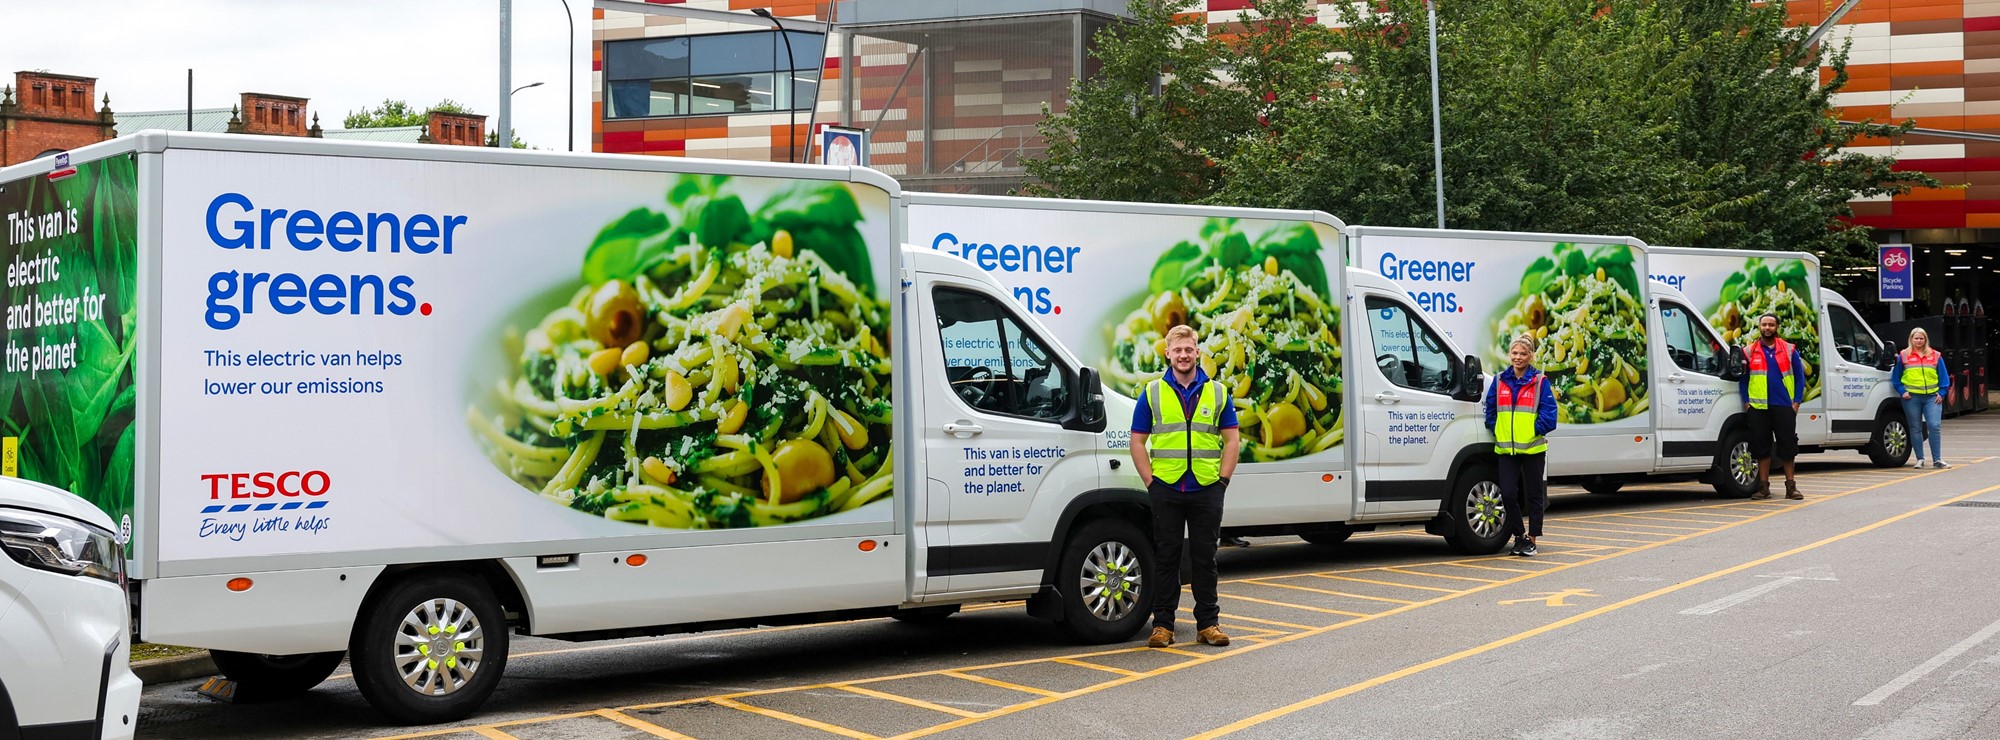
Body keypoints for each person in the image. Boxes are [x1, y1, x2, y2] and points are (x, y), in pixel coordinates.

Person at [1129, 324, 1241, 649]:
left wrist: (1222, 481)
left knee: (1205, 558)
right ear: (1167, 353)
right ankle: (1163, 626)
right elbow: (1137, 442)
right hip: (1167, 488)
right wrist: (1151, 482)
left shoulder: (1218, 392)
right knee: (1167, 558)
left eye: (1188, 349)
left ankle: (1208, 624)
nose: (1183, 355)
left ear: (1197, 352)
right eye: (1177, 350)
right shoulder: (1152, 392)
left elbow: (1232, 440)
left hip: (1207, 488)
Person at [1484, 333, 1557, 556]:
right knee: (1506, 493)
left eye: (1523, 353)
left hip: (1533, 448)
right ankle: (1519, 535)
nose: (1518, 357)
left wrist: (1533, 430)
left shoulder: (1540, 382)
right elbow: (1491, 410)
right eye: (1515, 353)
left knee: (1534, 495)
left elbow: (1550, 413)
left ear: (1531, 356)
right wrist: (1497, 428)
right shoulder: (1499, 381)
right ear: (1509, 355)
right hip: (1506, 448)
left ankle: (1532, 539)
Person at [1741, 313, 1807, 500]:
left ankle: (1791, 487)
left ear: (1777, 327)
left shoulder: (1789, 350)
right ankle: (1764, 488)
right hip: (1758, 407)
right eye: (1764, 325)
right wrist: (1747, 402)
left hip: (1784, 406)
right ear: (1759, 327)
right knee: (1761, 448)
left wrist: (1796, 402)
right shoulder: (1749, 351)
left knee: (1787, 446)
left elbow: (1800, 378)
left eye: (1771, 324)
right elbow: (1743, 380)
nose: (1767, 328)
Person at [1892, 327, 1950, 469]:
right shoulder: (1903, 356)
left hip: (1932, 397)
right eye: (1916, 338)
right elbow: (1895, 377)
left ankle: (1937, 459)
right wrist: (1901, 391)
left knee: (1934, 426)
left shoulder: (1935, 355)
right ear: (1911, 339)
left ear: (1925, 339)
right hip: (1911, 398)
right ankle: (1920, 459)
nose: (1918, 341)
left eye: (1921, 338)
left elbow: (1944, 377)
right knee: (1915, 428)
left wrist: (1942, 393)